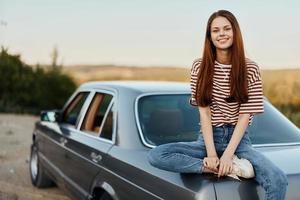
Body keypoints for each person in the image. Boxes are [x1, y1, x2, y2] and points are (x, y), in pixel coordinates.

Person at [147, 10, 288, 200]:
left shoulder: (251, 69)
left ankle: (232, 165)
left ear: (235, 32)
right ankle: (209, 168)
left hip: (239, 144)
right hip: (207, 140)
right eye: (215, 30)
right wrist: (212, 157)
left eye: (226, 28)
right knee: (156, 155)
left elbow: (244, 117)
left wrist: (228, 156)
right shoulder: (200, 67)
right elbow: (204, 115)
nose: (221, 34)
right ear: (210, 36)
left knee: (278, 179)